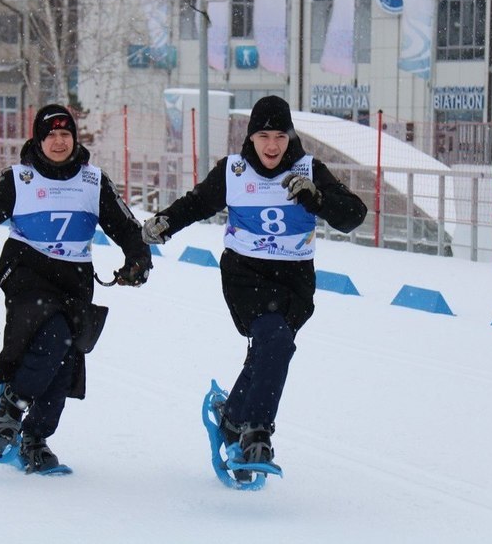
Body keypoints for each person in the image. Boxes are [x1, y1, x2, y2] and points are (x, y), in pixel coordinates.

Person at [0, 104, 151, 473]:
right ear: (37, 138)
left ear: (75, 139)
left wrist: (138, 260)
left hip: (75, 278)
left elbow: (127, 227)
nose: (58, 141)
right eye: (50, 134)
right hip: (27, 272)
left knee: (66, 362)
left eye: (65, 134)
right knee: (55, 335)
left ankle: (36, 438)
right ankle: (13, 403)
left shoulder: (92, 182)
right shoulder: (19, 180)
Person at [141, 95, 367, 479]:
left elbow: (353, 216)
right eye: (264, 135)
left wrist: (318, 198)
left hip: (294, 278)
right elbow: (197, 203)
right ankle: (255, 434)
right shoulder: (235, 170)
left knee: (270, 348)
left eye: (280, 135)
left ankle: (231, 418)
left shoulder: (308, 169)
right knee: (275, 340)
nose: (272, 145)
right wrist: (165, 222)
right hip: (246, 275)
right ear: (251, 137)